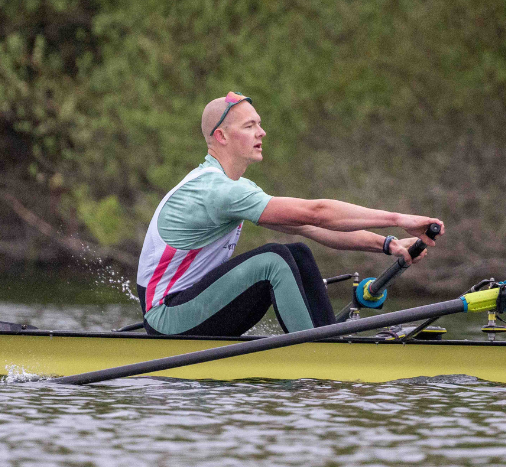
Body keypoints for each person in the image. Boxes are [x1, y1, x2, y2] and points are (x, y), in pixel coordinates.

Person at [136, 91, 444, 337]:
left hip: (191, 308)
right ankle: (317, 354)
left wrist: (388, 245)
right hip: (169, 318)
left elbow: (311, 225)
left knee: (296, 252)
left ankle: (326, 342)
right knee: (274, 259)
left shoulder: (234, 186)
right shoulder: (215, 189)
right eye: (249, 126)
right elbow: (317, 212)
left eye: (258, 123)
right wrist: (399, 219)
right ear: (222, 137)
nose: (262, 132)